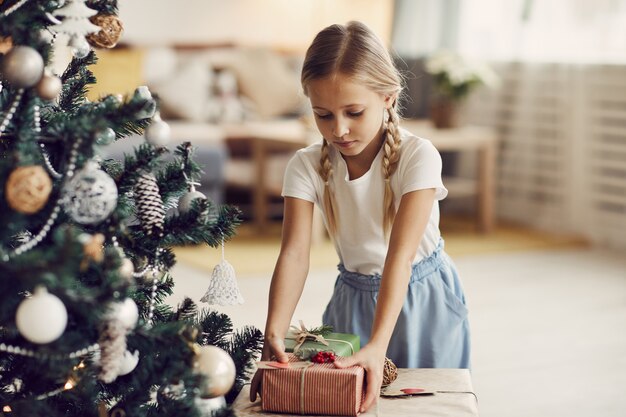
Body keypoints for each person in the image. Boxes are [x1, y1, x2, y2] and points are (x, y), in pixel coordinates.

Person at [250, 21, 471, 412]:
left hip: (423, 299)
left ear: (388, 97)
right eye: (323, 115)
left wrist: (378, 343)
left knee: (424, 405)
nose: (339, 129)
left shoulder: (419, 157)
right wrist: (275, 329)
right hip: (351, 301)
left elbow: (399, 258)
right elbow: (294, 255)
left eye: (353, 112)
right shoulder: (304, 166)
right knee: (342, 402)